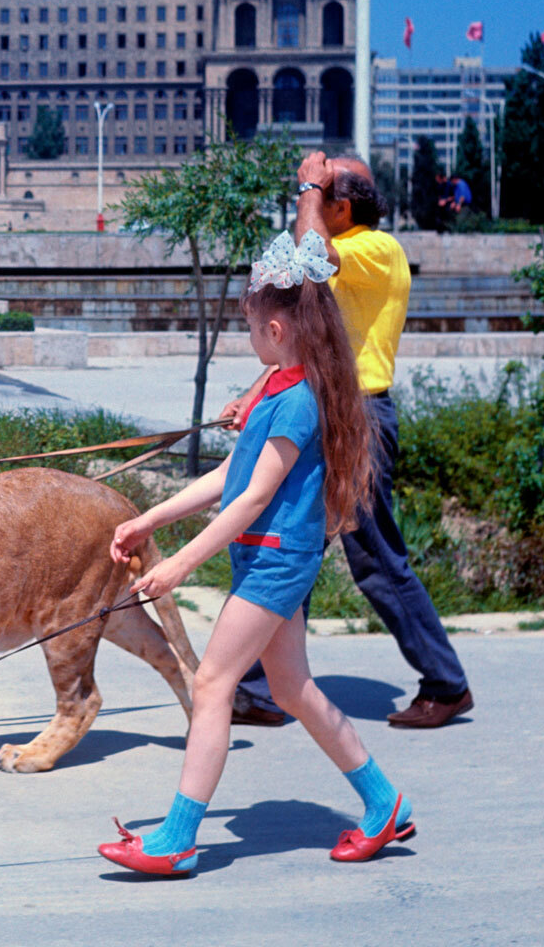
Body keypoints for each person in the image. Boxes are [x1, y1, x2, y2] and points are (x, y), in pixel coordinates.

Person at [98, 233, 414, 875]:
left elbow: (249, 500)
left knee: (213, 684)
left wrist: (178, 566)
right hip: (265, 555)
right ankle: (383, 803)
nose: (250, 343)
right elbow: (231, 479)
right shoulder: (277, 388)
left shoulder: (297, 401)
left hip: (277, 559)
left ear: (275, 328)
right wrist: (147, 520)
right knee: (293, 689)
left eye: (251, 331)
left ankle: (177, 840)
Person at [223, 154, 473, 730]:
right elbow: (307, 341)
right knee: (290, 543)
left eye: (321, 190)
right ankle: (262, 687)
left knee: (377, 559)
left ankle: (446, 682)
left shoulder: (375, 249)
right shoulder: (337, 261)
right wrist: (255, 393)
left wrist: (307, 186)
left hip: (360, 417)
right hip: (325, 406)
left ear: (341, 206)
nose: (306, 195)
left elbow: (310, 254)